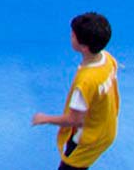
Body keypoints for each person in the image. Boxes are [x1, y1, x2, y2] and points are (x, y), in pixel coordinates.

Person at [32, 12, 119, 169]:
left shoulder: (85, 83)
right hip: (106, 130)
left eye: (73, 35)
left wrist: (45, 118)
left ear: (84, 47)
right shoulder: (108, 59)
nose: (70, 36)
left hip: (87, 139)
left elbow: (74, 120)